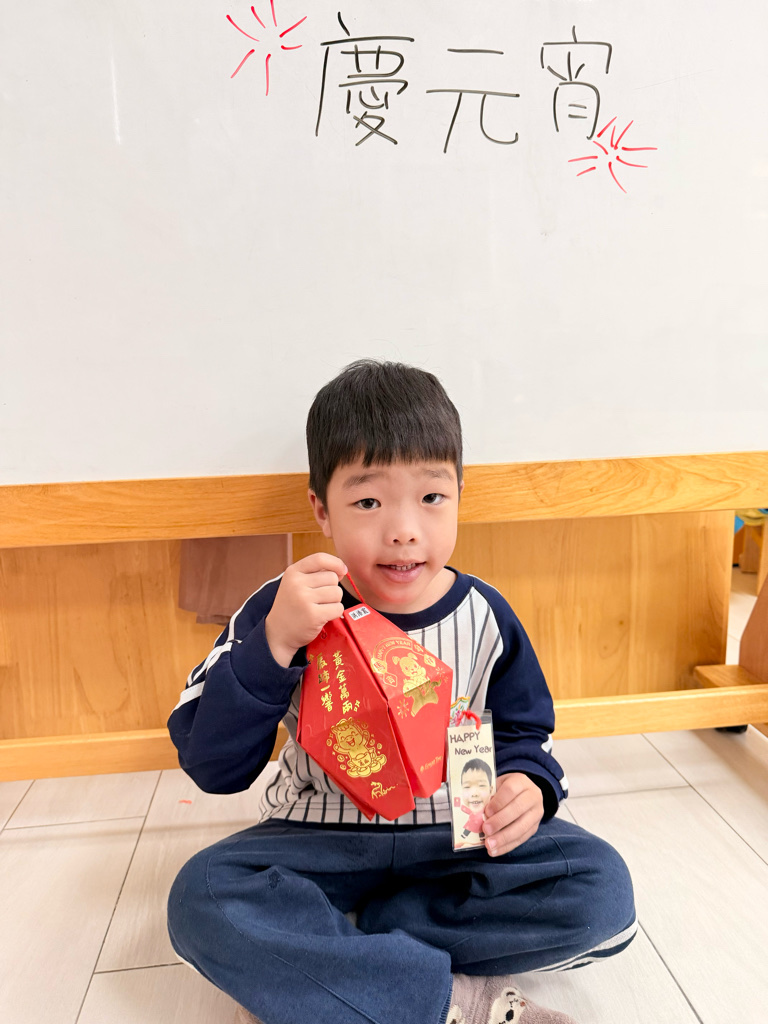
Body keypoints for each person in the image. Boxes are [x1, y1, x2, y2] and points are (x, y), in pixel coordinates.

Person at [166, 360, 637, 1024]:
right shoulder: (283, 605)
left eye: (432, 497)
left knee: (601, 891)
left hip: (456, 849)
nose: (404, 529)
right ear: (321, 509)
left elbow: (526, 731)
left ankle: (344, 958)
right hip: (316, 843)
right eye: (368, 502)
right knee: (202, 898)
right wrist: (272, 645)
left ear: (460, 495)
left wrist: (529, 785)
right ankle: (447, 1000)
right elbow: (212, 766)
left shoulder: (487, 614)